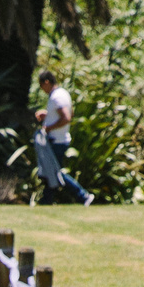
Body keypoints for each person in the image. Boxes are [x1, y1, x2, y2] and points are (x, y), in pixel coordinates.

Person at [32, 69, 92, 205]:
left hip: (56, 140)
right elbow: (67, 113)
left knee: (55, 173)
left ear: (46, 82)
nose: (43, 90)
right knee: (51, 172)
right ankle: (46, 201)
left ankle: (83, 195)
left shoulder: (56, 96)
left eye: (42, 86)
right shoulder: (62, 94)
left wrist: (48, 128)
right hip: (60, 138)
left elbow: (66, 117)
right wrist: (47, 115)